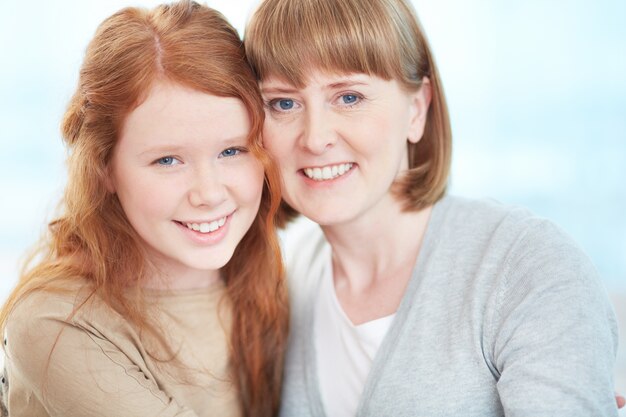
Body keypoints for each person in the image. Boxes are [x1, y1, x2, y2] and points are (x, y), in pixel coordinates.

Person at [244, 0, 619, 415]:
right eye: (283, 103)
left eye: (349, 97)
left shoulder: (529, 267)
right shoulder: (287, 280)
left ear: (417, 109)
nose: (315, 138)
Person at [0, 1, 288, 416]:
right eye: (167, 160)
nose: (208, 193)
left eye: (232, 150)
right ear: (104, 169)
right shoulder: (56, 324)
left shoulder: (267, 280)